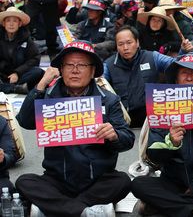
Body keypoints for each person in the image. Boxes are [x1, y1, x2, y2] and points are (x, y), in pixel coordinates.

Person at [16, 41, 134, 217]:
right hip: (57, 180)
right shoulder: (48, 97)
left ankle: (58, 208)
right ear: (61, 70)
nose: (75, 70)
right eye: (69, 65)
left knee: (123, 181)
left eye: (82, 65)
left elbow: (128, 140)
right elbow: (25, 122)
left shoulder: (108, 100)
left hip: (97, 180)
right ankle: (85, 211)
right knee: (24, 182)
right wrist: (41, 85)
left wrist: (114, 135)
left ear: (93, 71)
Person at [131, 52, 193, 217]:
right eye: (184, 73)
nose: (189, 78)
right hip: (172, 180)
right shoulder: (161, 106)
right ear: (176, 79)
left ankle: (161, 205)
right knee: (138, 184)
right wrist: (171, 143)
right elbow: (153, 155)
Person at [104, 25, 176, 128]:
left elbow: (177, 66)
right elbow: (100, 83)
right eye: (120, 44)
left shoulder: (152, 57)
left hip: (152, 121)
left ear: (137, 43)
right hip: (124, 124)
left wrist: (184, 51)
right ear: (116, 46)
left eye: (129, 43)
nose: (125, 48)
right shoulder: (109, 65)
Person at [0, 7, 44, 94]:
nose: (11, 24)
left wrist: (17, 73)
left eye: (15, 21)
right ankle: (15, 88)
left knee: (38, 72)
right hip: (2, 75)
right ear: (4, 23)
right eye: (8, 21)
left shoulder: (26, 39)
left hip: (21, 75)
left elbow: (35, 58)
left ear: (19, 24)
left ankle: (8, 87)